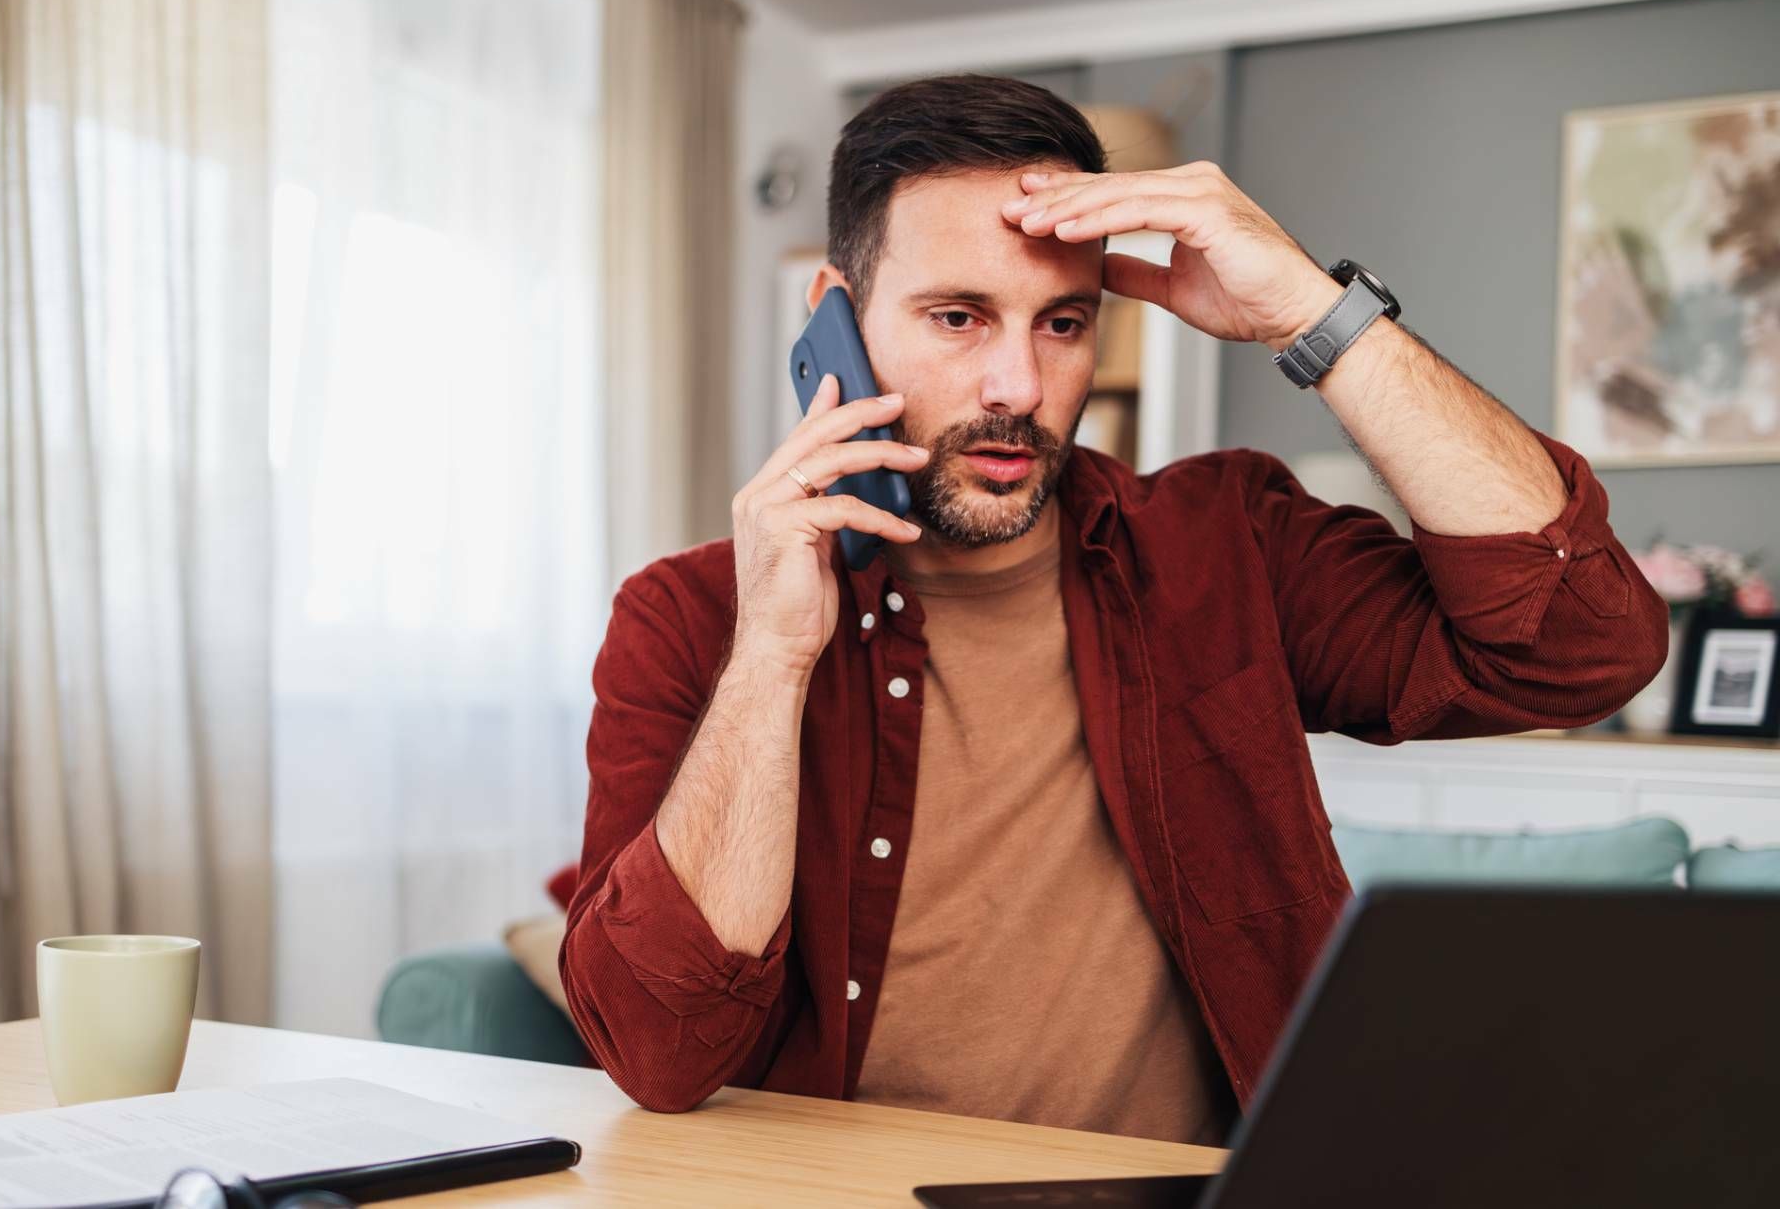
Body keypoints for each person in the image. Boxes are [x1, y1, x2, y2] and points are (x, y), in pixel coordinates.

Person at [558, 73, 1667, 1140]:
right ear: (833, 322)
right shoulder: (686, 618)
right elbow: (658, 1053)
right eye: (957, 316)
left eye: (1062, 322)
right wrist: (770, 658)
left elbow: (1582, 642)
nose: (1018, 388)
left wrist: (1310, 313)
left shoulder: (1227, 542)